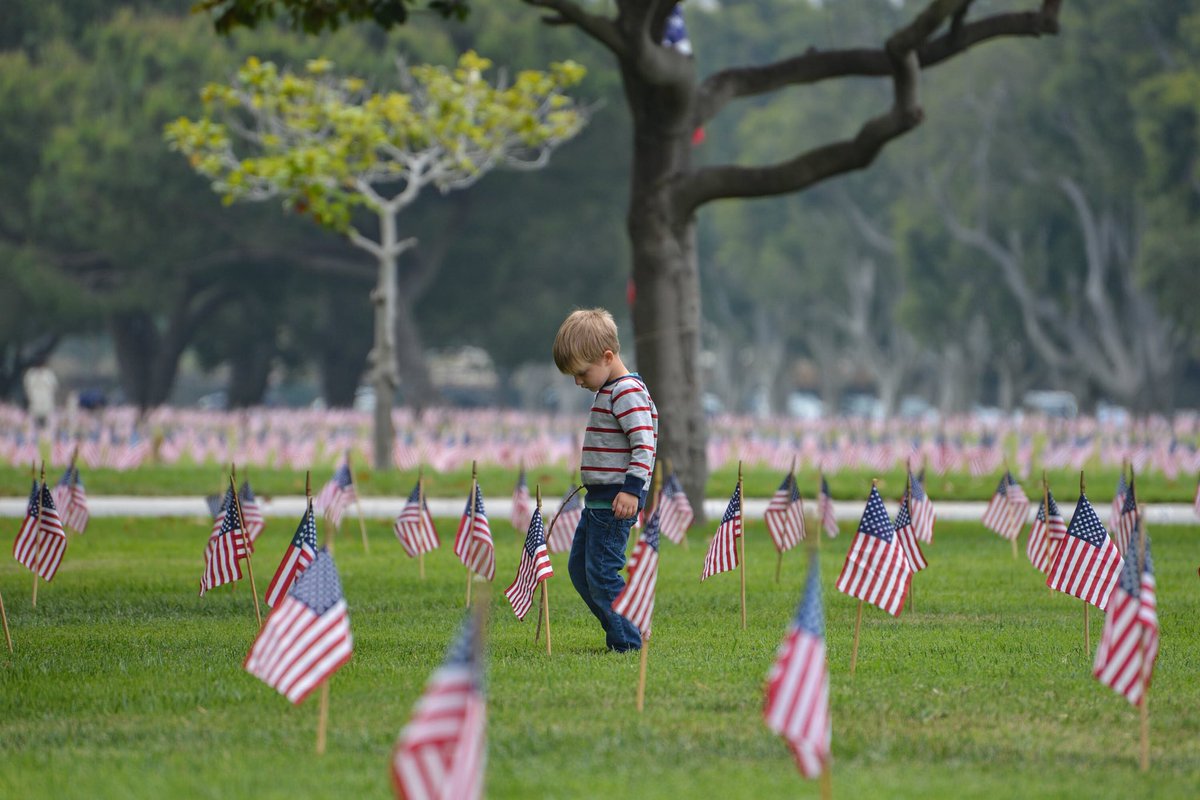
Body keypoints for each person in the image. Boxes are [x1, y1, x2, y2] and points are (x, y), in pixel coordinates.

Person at [553, 308, 658, 652]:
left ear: (607, 356)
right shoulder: (609, 390)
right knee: (581, 571)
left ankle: (627, 641)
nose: (578, 381)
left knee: (601, 573)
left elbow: (644, 444)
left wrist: (632, 490)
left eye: (582, 373)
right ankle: (627, 626)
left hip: (616, 503)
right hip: (597, 502)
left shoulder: (625, 392)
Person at [23, 361, 58, 430]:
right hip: (35, 397)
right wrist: (30, 396)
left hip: (45, 398)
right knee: (33, 415)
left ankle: (46, 427)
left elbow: (54, 387)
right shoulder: (31, 374)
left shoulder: (48, 374)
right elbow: (27, 387)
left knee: (47, 415)